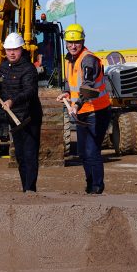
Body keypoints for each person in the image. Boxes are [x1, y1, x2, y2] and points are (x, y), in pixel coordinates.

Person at [56, 23, 112, 194]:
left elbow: (87, 86)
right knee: (83, 152)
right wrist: (66, 93)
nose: (73, 46)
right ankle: (89, 185)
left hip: (97, 111)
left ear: (83, 41)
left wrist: (77, 104)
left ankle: (97, 187)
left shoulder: (88, 60)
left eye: (77, 42)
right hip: (82, 111)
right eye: (70, 42)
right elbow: (70, 83)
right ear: (65, 43)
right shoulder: (68, 60)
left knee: (92, 150)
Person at [0, 32, 42, 192]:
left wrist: (12, 100)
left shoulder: (29, 69)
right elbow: (1, 82)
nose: (12, 53)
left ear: (22, 49)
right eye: (9, 50)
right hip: (13, 119)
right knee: (20, 156)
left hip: (29, 118)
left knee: (29, 155)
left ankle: (30, 190)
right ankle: (25, 189)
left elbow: (30, 91)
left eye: (15, 49)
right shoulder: (3, 66)